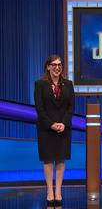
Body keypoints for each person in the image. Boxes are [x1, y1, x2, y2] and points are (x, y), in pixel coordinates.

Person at [34, 55, 75, 206]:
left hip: (63, 127)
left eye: (59, 65)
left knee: (60, 158)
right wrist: (51, 124)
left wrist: (63, 123)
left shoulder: (68, 84)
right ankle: (49, 191)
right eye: (54, 65)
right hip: (46, 127)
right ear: (48, 67)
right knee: (48, 158)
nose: (57, 67)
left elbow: (71, 107)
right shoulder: (39, 84)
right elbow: (39, 108)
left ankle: (58, 191)